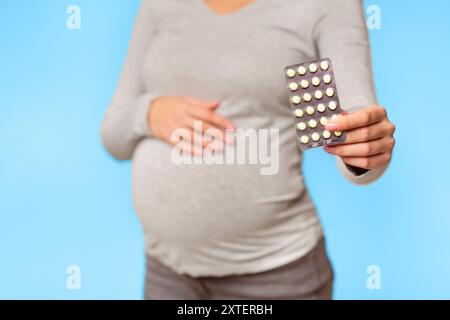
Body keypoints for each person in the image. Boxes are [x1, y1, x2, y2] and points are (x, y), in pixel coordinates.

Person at [101, 0, 396, 299]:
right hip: (166, 273)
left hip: (277, 276)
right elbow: (113, 137)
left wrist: (364, 149)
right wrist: (149, 112)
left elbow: (357, 122)